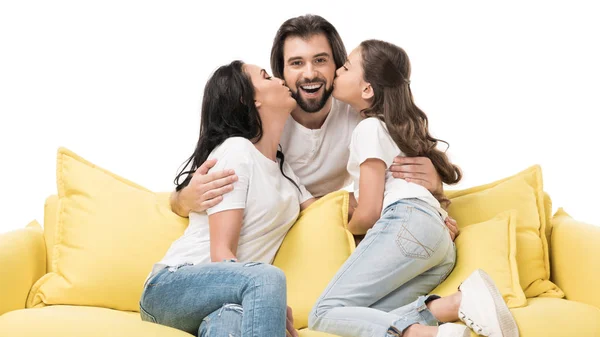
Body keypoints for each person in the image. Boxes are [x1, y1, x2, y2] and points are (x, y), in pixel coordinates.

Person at [169, 15, 459, 242]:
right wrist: (184, 199)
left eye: (320, 60)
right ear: (281, 73)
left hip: (327, 218)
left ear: (338, 66)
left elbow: (404, 151)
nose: (310, 74)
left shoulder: (360, 113)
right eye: (297, 63)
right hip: (274, 225)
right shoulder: (263, 122)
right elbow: (192, 185)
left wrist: (434, 183)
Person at [308, 40, 519, 337]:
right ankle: (454, 305)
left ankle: (435, 335)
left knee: (322, 313)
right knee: (368, 317)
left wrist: (345, 231)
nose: (337, 73)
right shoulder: (393, 131)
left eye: (344, 67)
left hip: (407, 225)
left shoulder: (367, 129)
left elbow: (369, 212)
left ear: (367, 89)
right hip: (440, 242)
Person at [139, 61, 314, 337]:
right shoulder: (236, 151)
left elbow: (330, 211)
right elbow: (221, 254)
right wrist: (269, 298)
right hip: (170, 288)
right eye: (266, 77)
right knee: (268, 278)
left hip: (227, 299)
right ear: (250, 99)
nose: (280, 80)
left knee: (231, 320)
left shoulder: (284, 171)